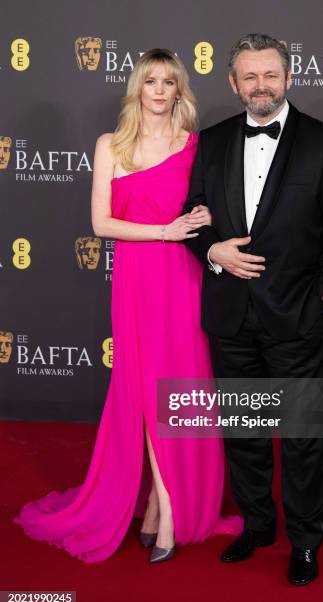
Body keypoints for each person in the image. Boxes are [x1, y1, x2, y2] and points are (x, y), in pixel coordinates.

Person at [14, 48, 242, 564]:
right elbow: (101, 225)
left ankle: (167, 507)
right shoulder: (110, 145)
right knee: (143, 390)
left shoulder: (194, 146)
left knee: (179, 388)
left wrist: (202, 213)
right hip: (138, 281)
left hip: (183, 279)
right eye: (150, 81)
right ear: (137, 88)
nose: (159, 90)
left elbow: (206, 211)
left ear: (179, 89)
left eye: (168, 82)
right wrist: (163, 230)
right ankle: (163, 502)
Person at [183, 34, 323, 585]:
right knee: (245, 429)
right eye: (249, 77)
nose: (261, 86)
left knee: (304, 436)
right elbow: (194, 214)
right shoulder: (209, 142)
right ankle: (258, 522)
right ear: (233, 82)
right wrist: (210, 250)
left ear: (288, 77)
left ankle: (306, 540)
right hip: (232, 313)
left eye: (270, 75)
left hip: (298, 317)